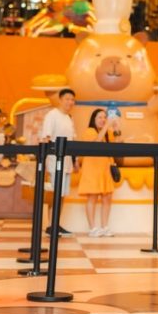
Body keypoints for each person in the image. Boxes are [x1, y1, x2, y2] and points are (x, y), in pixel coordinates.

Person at [41, 88, 77, 237]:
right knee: (55, 194)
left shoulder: (69, 118)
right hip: (54, 161)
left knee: (62, 195)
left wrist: (75, 160)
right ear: (60, 100)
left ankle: (56, 224)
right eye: (67, 99)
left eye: (72, 99)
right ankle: (51, 226)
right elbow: (46, 137)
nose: (70, 102)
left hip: (67, 162)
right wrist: (45, 161)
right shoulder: (52, 115)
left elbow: (72, 140)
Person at [77, 108, 118, 236]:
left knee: (107, 198)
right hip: (92, 168)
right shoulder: (89, 131)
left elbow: (116, 145)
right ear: (93, 119)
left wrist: (116, 129)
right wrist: (106, 126)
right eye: (100, 117)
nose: (103, 120)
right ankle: (92, 228)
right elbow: (96, 143)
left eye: (105, 117)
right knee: (92, 197)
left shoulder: (107, 132)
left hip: (105, 168)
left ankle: (105, 227)